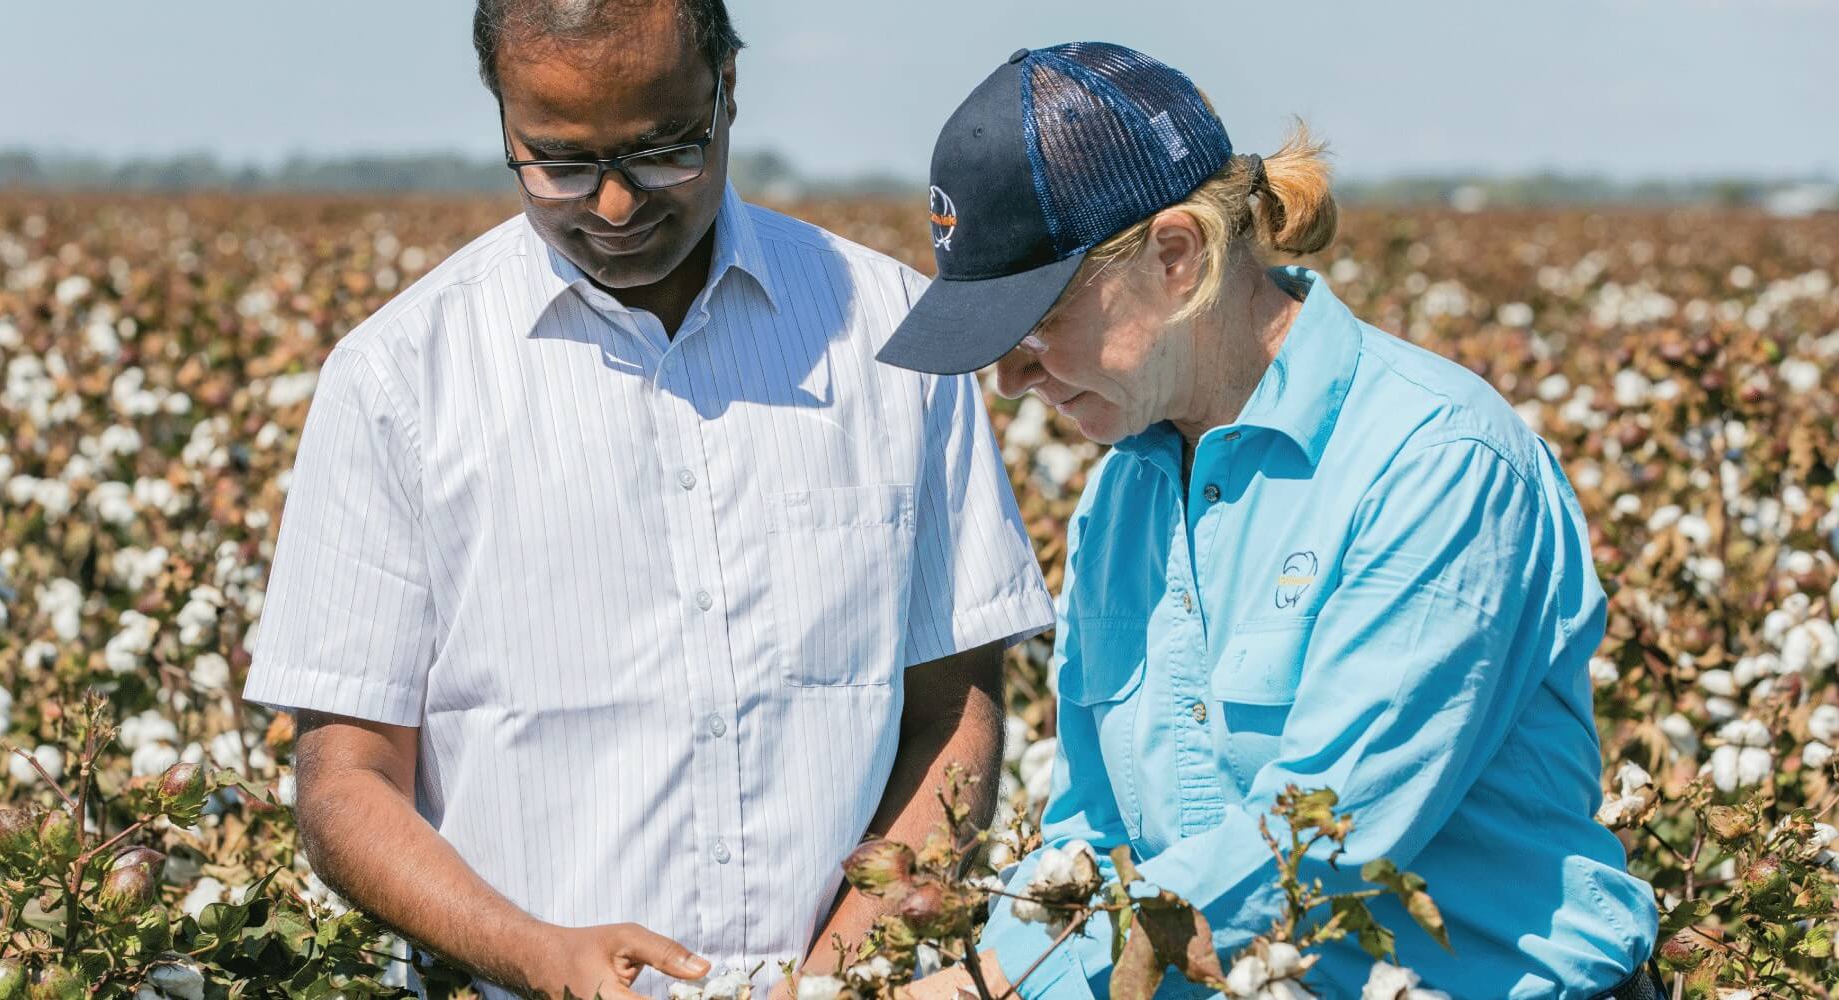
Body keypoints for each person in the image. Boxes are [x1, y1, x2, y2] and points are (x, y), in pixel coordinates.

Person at [240, 4, 1055, 998]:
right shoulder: (398, 380)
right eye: (559, 163)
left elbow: (951, 712)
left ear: (728, 95)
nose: (615, 206)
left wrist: (843, 973)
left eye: (665, 151)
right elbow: (345, 785)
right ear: (503, 121)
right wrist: (534, 952)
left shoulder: (890, 337)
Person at [876, 42, 1663, 1000]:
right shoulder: (1120, 498)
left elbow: (1318, 837)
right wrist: (993, 970)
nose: (1011, 378)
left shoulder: (1434, 464)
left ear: (1177, 255)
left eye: (1037, 325)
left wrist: (992, 986)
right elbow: (1090, 837)